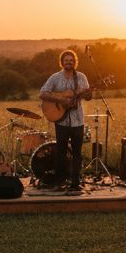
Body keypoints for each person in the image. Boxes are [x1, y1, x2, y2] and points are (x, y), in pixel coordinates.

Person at [40, 50, 93, 192]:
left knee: (77, 153)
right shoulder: (55, 78)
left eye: (71, 60)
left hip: (78, 121)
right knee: (61, 153)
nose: (69, 62)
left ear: (75, 62)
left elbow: (88, 97)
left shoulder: (81, 77)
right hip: (61, 122)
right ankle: (59, 181)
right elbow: (42, 93)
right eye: (66, 60)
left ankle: (75, 183)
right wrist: (60, 99)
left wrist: (88, 93)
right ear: (62, 62)